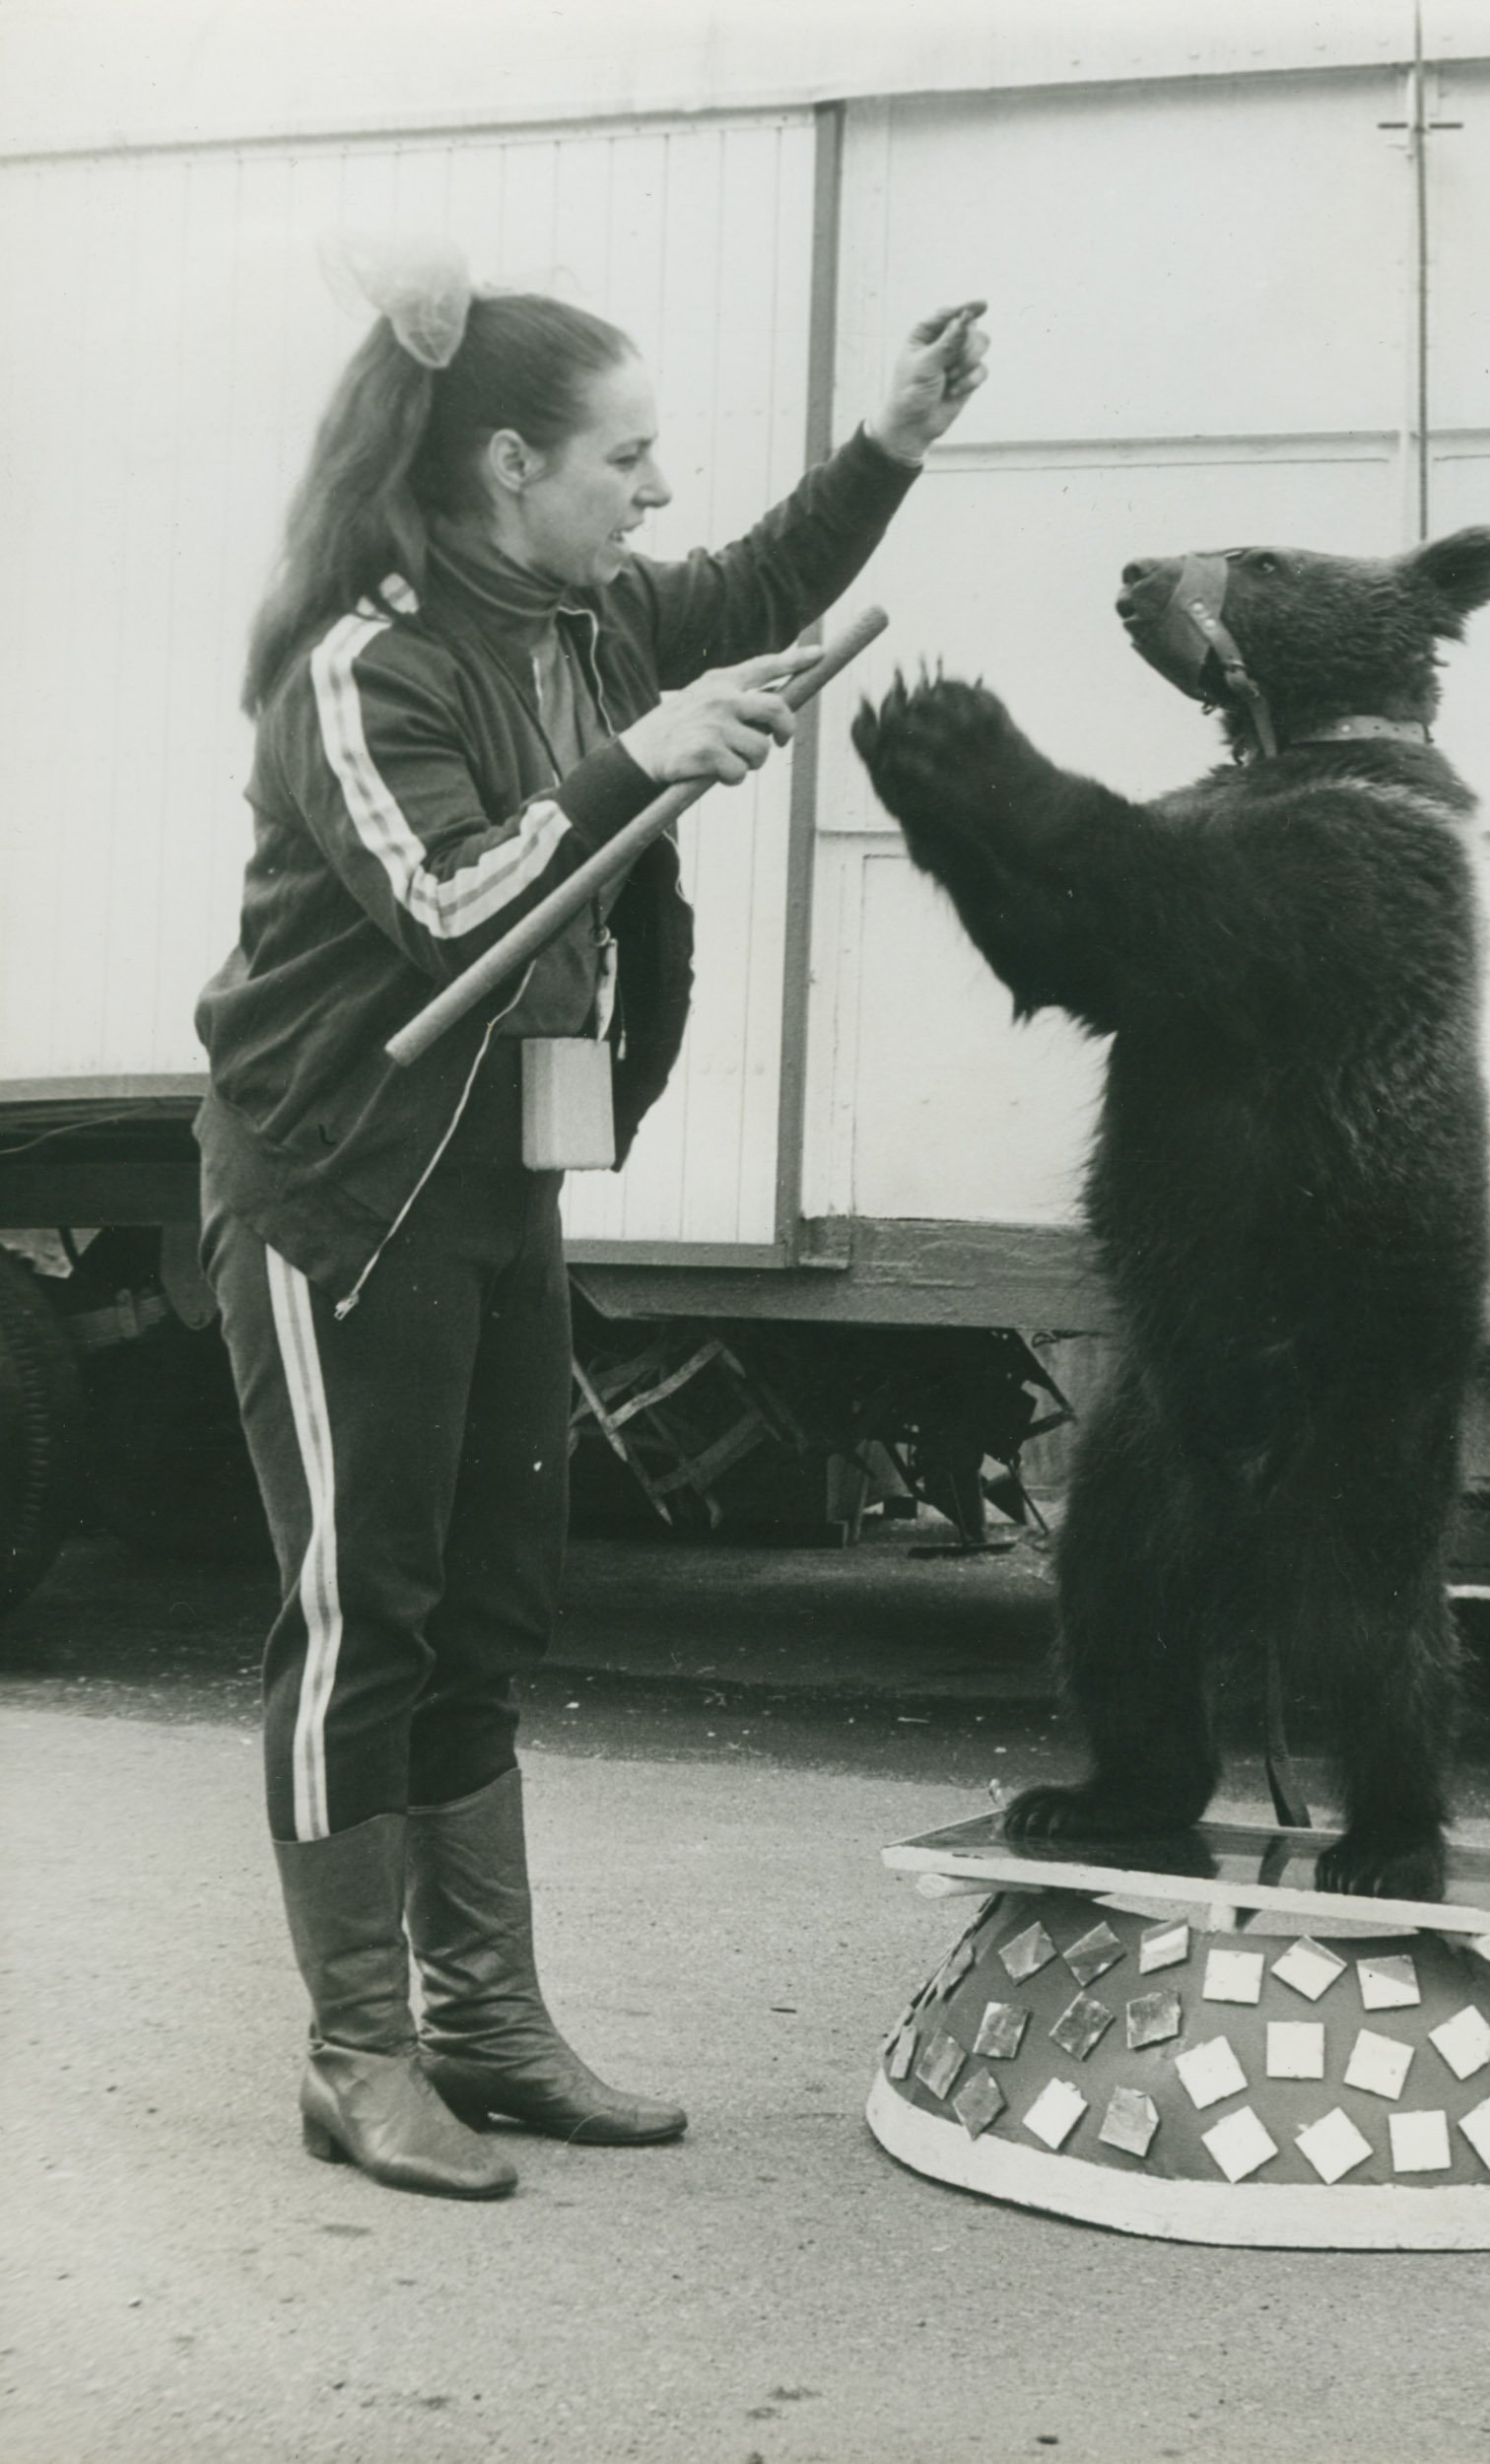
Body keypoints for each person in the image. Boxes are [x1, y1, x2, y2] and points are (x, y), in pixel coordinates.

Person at [195, 240, 988, 2200]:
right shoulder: (367, 665)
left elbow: (753, 592)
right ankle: (358, 2048)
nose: (654, 493)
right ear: (505, 471)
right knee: (356, 1616)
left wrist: (889, 440)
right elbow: (454, 906)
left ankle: (488, 2025)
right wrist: (643, 758)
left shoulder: (590, 614)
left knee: (485, 1598)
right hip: (339, 1188)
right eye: (624, 457)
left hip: (497, 1183)